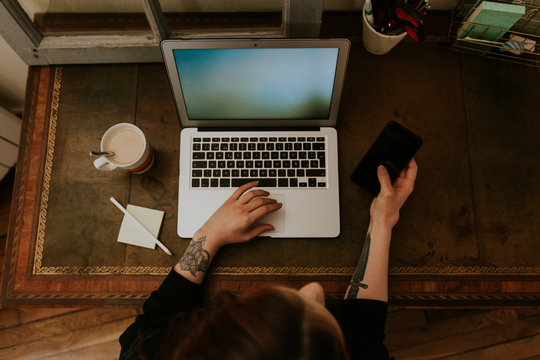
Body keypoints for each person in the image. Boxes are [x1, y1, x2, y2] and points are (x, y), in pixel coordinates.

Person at [119, 159, 418, 360]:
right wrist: (383, 222)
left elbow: (155, 321)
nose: (315, 288)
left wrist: (208, 234)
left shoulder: (147, 353)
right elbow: (365, 334)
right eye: (317, 311)